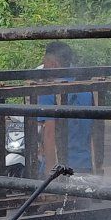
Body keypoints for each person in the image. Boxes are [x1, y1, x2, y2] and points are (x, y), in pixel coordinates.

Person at [37, 41, 94, 173]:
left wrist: (49, 176)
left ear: (53, 64)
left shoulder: (49, 91)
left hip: (61, 168)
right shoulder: (85, 90)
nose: (43, 67)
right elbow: (92, 131)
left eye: (44, 62)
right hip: (84, 165)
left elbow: (50, 135)